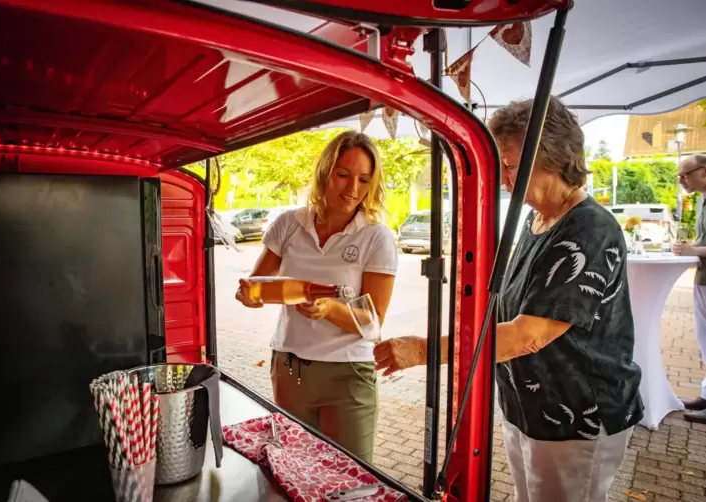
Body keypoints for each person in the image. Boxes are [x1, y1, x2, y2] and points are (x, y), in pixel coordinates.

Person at [373, 97, 643, 502]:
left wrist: (427, 350)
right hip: (531, 408)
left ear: (552, 156)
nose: (501, 177)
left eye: (511, 165)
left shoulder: (588, 229)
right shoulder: (538, 220)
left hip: (576, 415)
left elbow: (528, 334)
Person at [235, 131, 398, 462]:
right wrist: (248, 295)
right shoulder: (289, 224)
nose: (352, 189)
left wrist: (331, 309)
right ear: (325, 171)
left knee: (350, 477)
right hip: (290, 367)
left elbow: (374, 324)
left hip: (348, 374)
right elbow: (257, 285)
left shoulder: (376, 237)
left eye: (364, 179)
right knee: (292, 468)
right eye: (343, 175)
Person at [672, 154, 706, 424]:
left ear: (703, 172)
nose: (681, 180)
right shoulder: (702, 199)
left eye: (684, 174)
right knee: (704, 341)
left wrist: (693, 250)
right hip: (702, 279)